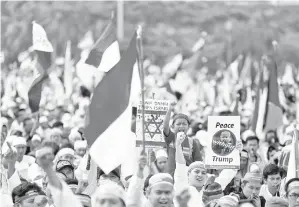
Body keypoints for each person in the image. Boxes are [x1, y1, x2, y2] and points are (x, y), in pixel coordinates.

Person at [174, 133, 237, 206]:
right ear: (188, 174)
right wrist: (178, 146)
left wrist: (236, 150)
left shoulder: (211, 189)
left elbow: (230, 172)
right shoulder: (181, 185)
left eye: (203, 173)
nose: (200, 175)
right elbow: (180, 164)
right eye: (196, 172)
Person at [163, 102, 202, 176]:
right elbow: (165, 126)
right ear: (172, 126)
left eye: (184, 124)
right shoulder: (171, 138)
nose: (181, 126)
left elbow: (198, 163)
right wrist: (169, 110)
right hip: (171, 177)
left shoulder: (192, 142)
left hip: (186, 178)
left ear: (188, 127)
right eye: (178, 124)